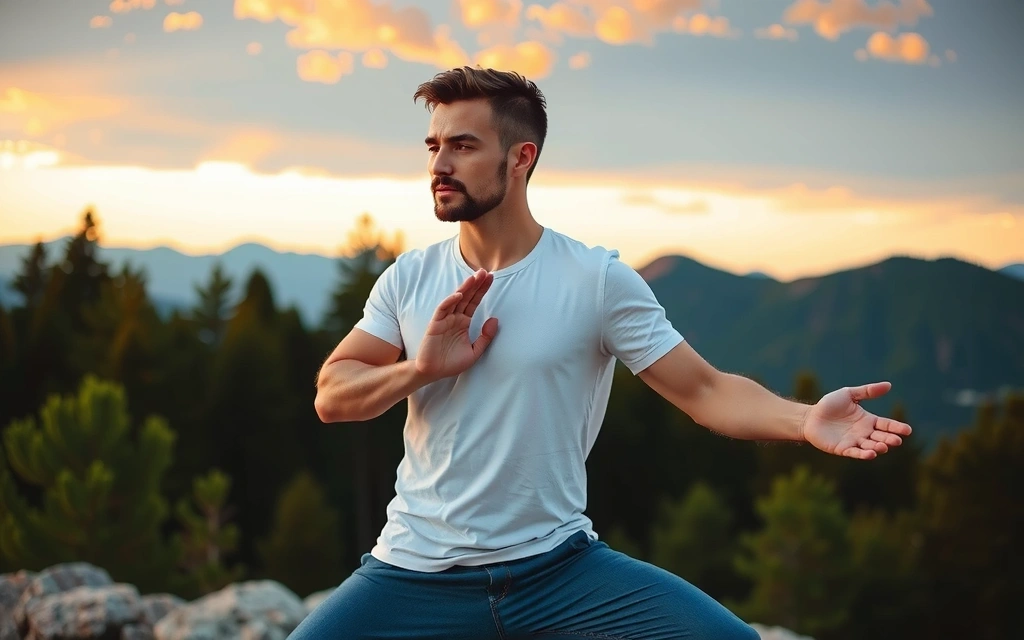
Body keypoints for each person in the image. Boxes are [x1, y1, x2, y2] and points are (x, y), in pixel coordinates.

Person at [292, 66, 912, 640]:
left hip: (558, 574)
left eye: (463, 145)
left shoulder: (595, 280)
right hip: (413, 573)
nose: (440, 163)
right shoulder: (408, 278)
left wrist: (805, 420)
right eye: (433, 146)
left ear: (520, 158)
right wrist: (419, 369)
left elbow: (706, 390)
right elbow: (332, 394)